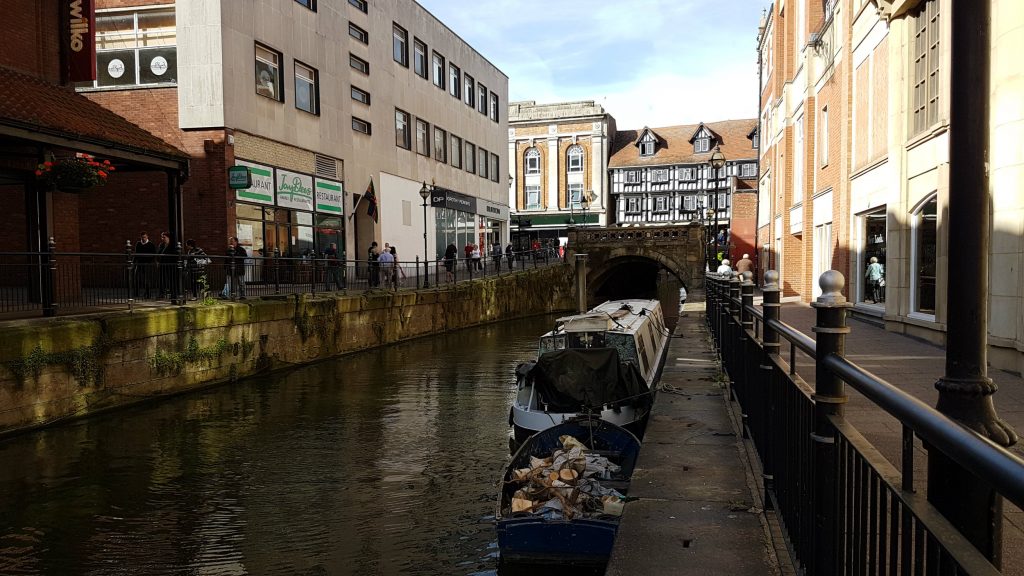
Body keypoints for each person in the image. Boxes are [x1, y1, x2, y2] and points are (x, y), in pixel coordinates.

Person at [133, 231, 157, 299]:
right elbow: (136, 254)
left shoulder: (151, 244)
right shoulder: (138, 244)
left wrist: (149, 261)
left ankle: (148, 294)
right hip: (139, 263)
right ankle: (136, 293)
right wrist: (133, 262)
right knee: (137, 278)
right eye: (142, 237)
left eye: (144, 237)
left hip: (147, 264)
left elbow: (153, 255)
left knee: (146, 280)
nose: (143, 238)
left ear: (147, 237)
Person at [156, 231, 178, 300]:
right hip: (162, 265)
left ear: (168, 238)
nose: (162, 238)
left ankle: (173, 294)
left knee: (171, 280)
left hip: (170, 266)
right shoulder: (161, 245)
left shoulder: (172, 245)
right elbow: (157, 254)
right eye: (162, 237)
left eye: (164, 237)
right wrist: (157, 261)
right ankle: (161, 294)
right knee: (162, 280)